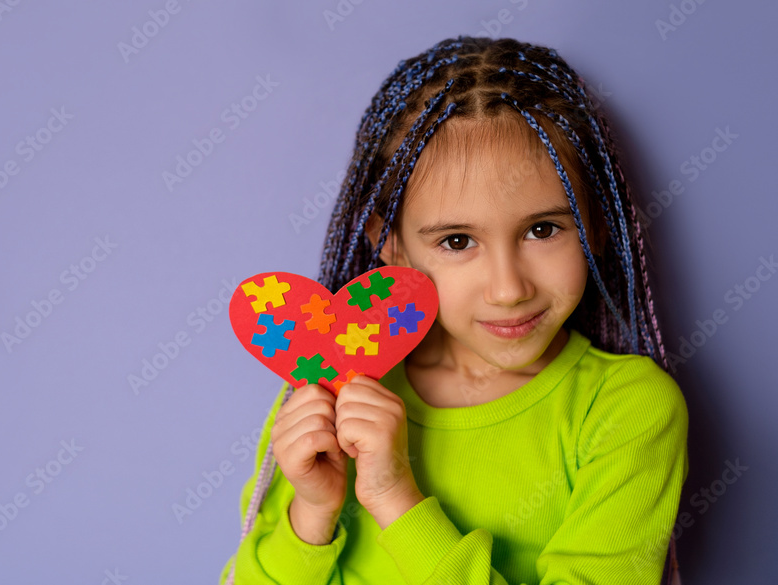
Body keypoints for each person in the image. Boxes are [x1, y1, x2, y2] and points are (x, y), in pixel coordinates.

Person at [220, 35, 689, 585]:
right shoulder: (326, 386)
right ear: (390, 245)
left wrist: (394, 497)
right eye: (458, 242)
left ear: (598, 226)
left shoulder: (624, 411)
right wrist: (313, 512)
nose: (508, 288)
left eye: (543, 229)